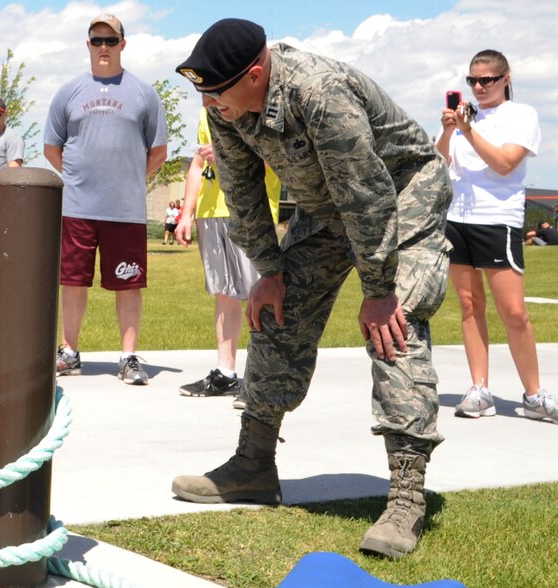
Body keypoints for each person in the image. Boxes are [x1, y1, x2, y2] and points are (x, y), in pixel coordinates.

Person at [171, 18, 453, 559]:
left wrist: (377, 288)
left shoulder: (320, 93)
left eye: (216, 91)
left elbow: (367, 193)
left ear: (255, 75)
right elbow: (242, 190)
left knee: (395, 323)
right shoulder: (225, 106)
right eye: (201, 92)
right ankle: (253, 464)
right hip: (327, 209)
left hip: (401, 197)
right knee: (277, 309)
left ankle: (405, 496)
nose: (208, 103)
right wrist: (268, 270)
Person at [435, 49, 558, 427]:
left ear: (505, 78)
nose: (479, 87)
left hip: (497, 220)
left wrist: (468, 130)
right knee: (469, 305)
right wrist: (450, 130)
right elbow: (438, 163)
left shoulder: (521, 115)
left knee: (514, 313)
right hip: (457, 219)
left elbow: (503, 164)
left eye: (487, 80)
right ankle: (478, 389)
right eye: (472, 80)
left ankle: (534, 395)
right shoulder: (463, 117)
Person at [44, 14, 167, 385]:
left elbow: (158, 152)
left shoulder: (143, 92)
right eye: (97, 40)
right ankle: (70, 352)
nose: (103, 48)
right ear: (87, 44)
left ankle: (128, 358)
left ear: (123, 45)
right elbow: (52, 147)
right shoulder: (69, 92)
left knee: (128, 284)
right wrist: (80, 178)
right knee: (73, 281)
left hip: (125, 210)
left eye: (110, 41)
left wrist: (128, 180)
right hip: (78, 207)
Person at [175, 108, 280, 406]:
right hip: (211, 213)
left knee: (262, 295)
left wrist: (226, 153)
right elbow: (197, 164)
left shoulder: (256, 108)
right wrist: (186, 214)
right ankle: (225, 373)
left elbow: (275, 159)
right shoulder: (207, 112)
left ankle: (265, 379)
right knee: (224, 294)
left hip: (251, 210)